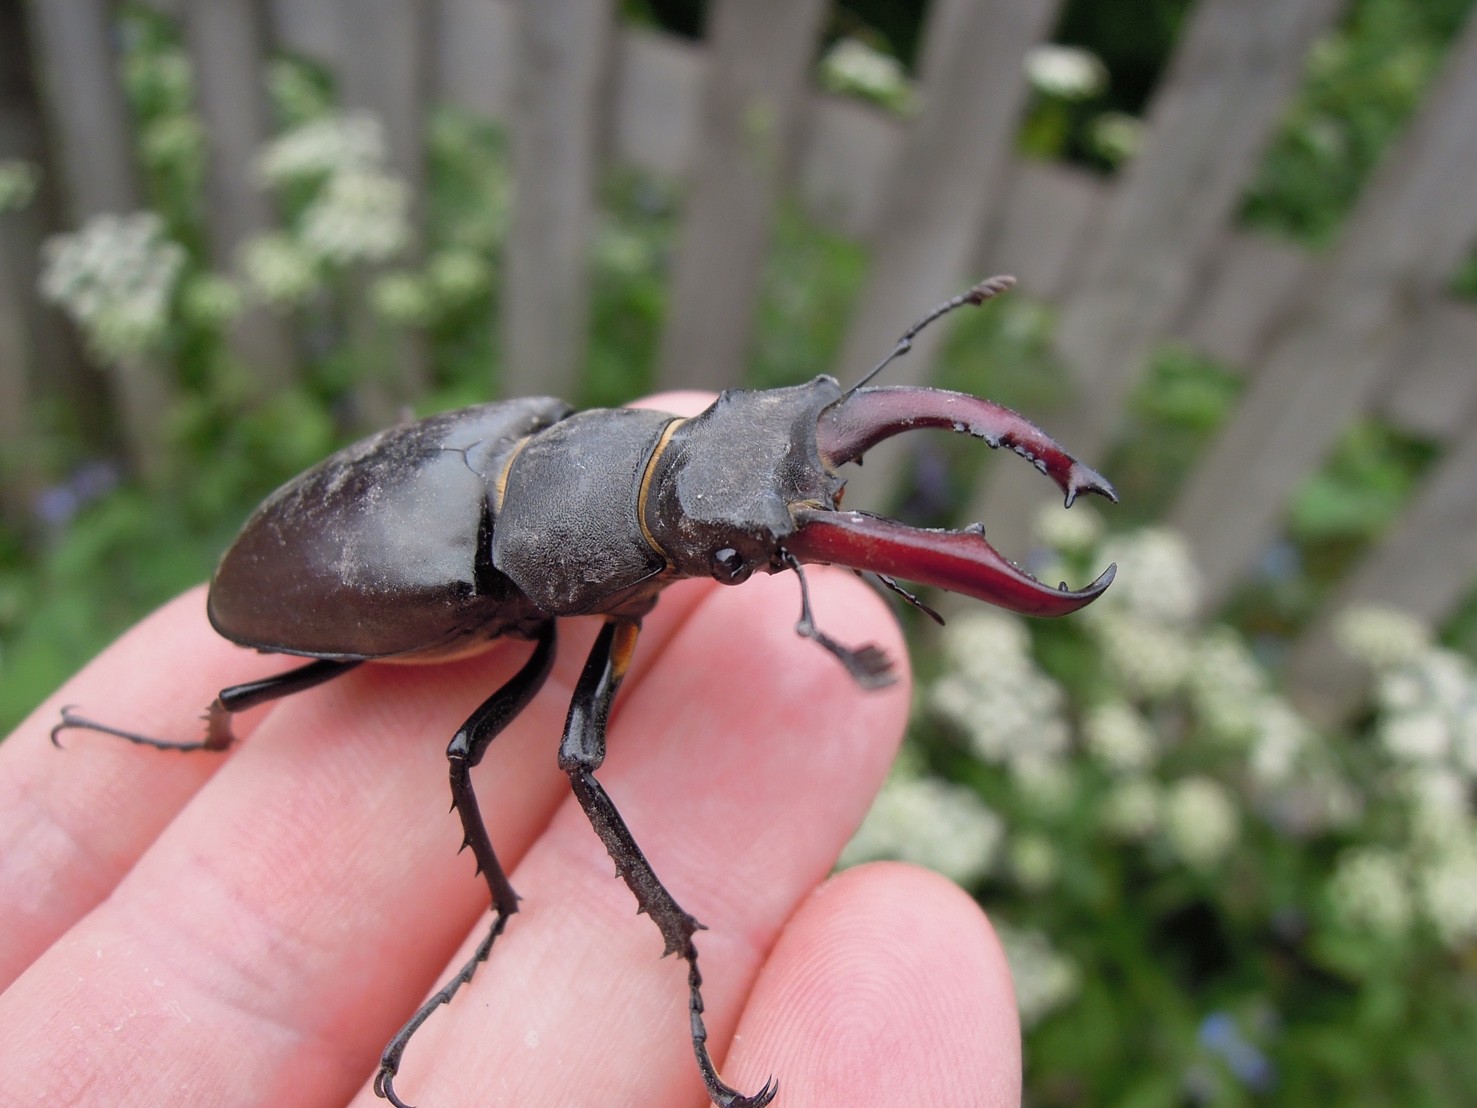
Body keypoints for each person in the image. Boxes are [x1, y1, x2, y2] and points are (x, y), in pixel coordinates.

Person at [0, 398, 1020, 1106]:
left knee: (556, 754)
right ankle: (528, 914)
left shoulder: (547, 442)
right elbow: (515, 751)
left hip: (488, 492)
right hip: (359, 566)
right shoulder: (488, 587)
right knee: (505, 750)